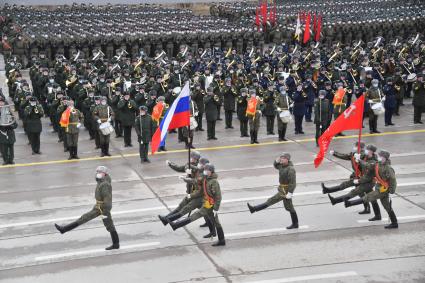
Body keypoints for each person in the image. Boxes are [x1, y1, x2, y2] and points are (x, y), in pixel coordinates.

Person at [54, 166, 120, 250]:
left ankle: (64, 229)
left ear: (105, 174)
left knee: (86, 218)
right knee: (108, 225)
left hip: (102, 208)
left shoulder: (105, 184)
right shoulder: (101, 181)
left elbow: (107, 199)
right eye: (97, 172)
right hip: (99, 206)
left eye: (100, 172)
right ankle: (116, 244)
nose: (98, 174)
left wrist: (105, 211)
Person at [169, 164, 225, 247]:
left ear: (211, 171)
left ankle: (176, 225)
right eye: (205, 169)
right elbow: (195, 181)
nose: (205, 171)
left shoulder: (214, 182)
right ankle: (221, 240)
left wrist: (216, 209)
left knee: (197, 215)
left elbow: (218, 197)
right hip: (207, 203)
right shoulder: (205, 179)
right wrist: (185, 179)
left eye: (207, 170)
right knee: (216, 222)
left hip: (211, 205)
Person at [345, 150, 398, 229]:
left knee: (369, 196)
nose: (378, 157)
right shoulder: (377, 164)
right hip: (379, 187)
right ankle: (394, 223)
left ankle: (350, 203)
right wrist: (359, 160)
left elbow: (393, 179)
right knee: (387, 206)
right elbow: (367, 165)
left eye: (380, 156)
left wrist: (392, 190)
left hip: (383, 189)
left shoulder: (388, 168)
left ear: (384, 158)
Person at [327, 144, 382, 221]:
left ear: (371, 151)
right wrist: (357, 159)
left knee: (355, 192)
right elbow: (355, 162)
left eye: (367, 149)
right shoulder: (365, 156)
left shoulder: (374, 161)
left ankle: (336, 201)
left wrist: (360, 161)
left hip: (368, 181)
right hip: (363, 179)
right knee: (371, 198)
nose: (366, 150)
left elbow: (368, 167)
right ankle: (376, 214)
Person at [247, 153, 299, 229]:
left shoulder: (291, 169)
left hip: (286, 190)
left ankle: (254, 209)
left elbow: (293, 183)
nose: (281, 159)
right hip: (282, 188)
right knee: (289, 207)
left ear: (287, 159)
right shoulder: (281, 166)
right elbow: (275, 166)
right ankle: (295, 224)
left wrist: (290, 193)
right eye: (281, 157)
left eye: (283, 158)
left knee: (271, 201)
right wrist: (276, 161)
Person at [0, 99, 18, 165]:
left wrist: (12, 126)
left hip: (10, 131)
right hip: (2, 132)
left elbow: (15, 124)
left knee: (11, 147)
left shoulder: (10, 112)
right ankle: (5, 160)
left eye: (2, 102)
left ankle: (11, 160)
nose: (1, 103)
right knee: (3, 148)